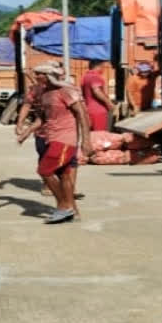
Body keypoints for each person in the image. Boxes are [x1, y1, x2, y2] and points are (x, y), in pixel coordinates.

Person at [31, 63, 94, 224]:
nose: (36, 76)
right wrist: (25, 132)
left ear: (47, 76)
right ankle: (74, 212)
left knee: (44, 170)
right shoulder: (45, 93)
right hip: (51, 138)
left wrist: (86, 140)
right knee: (63, 175)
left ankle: (63, 207)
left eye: (39, 74)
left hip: (65, 139)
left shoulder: (66, 91)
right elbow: (43, 118)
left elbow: (82, 114)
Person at [81, 60, 113, 131]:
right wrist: (108, 102)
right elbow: (96, 91)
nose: (103, 69)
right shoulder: (95, 76)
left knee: (92, 134)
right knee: (100, 134)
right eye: (103, 67)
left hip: (88, 109)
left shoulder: (85, 77)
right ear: (99, 66)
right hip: (99, 111)